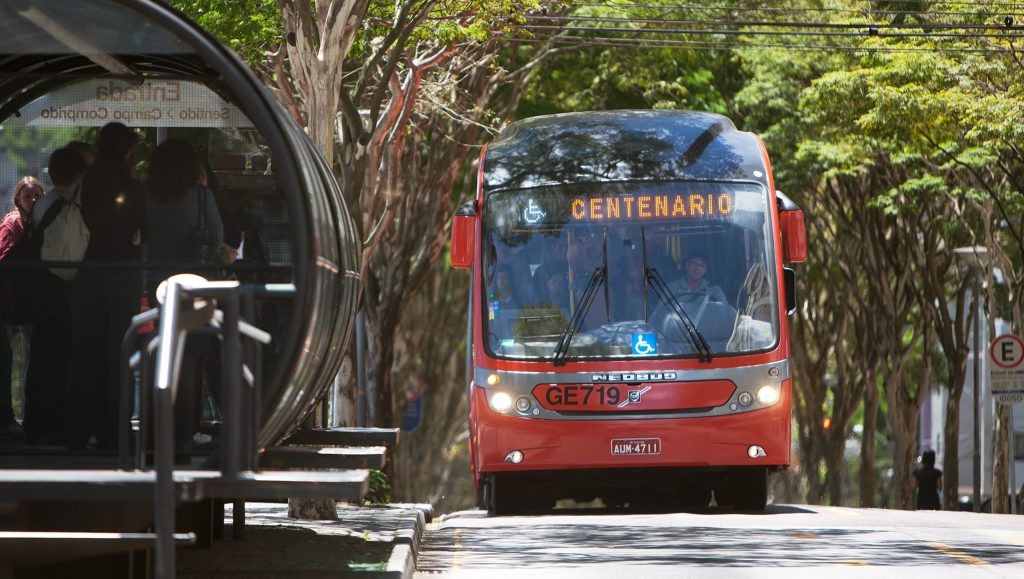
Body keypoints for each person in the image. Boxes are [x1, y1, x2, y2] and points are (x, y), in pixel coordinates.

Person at [66, 122, 147, 451]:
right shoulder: (132, 186)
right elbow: (146, 230)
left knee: (84, 353)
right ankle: (114, 431)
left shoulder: (86, 183)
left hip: (87, 274)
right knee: (118, 353)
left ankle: (77, 431)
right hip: (122, 274)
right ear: (127, 150)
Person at [145, 137, 227, 454]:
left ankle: (158, 424)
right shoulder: (200, 195)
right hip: (195, 283)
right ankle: (185, 427)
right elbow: (217, 237)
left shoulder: (146, 195)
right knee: (191, 353)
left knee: (163, 348)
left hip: (157, 283)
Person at [23, 149, 88, 447]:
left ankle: (35, 425)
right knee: (59, 360)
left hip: (38, 294)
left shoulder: (43, 202)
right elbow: (70, 258)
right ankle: (54, 426)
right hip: (59, 295)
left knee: (39, 361)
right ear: (77, 176)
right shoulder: (66, 207)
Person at [0, 177, 43, 440]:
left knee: (30, 357)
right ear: (19, 200)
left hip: (28, 302)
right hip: (13, 303)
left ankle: (29, 417)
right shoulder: (13, 225)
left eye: (38, 195)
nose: (34, 200)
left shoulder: (37, 225)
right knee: (13, 358)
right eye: (29, 196)